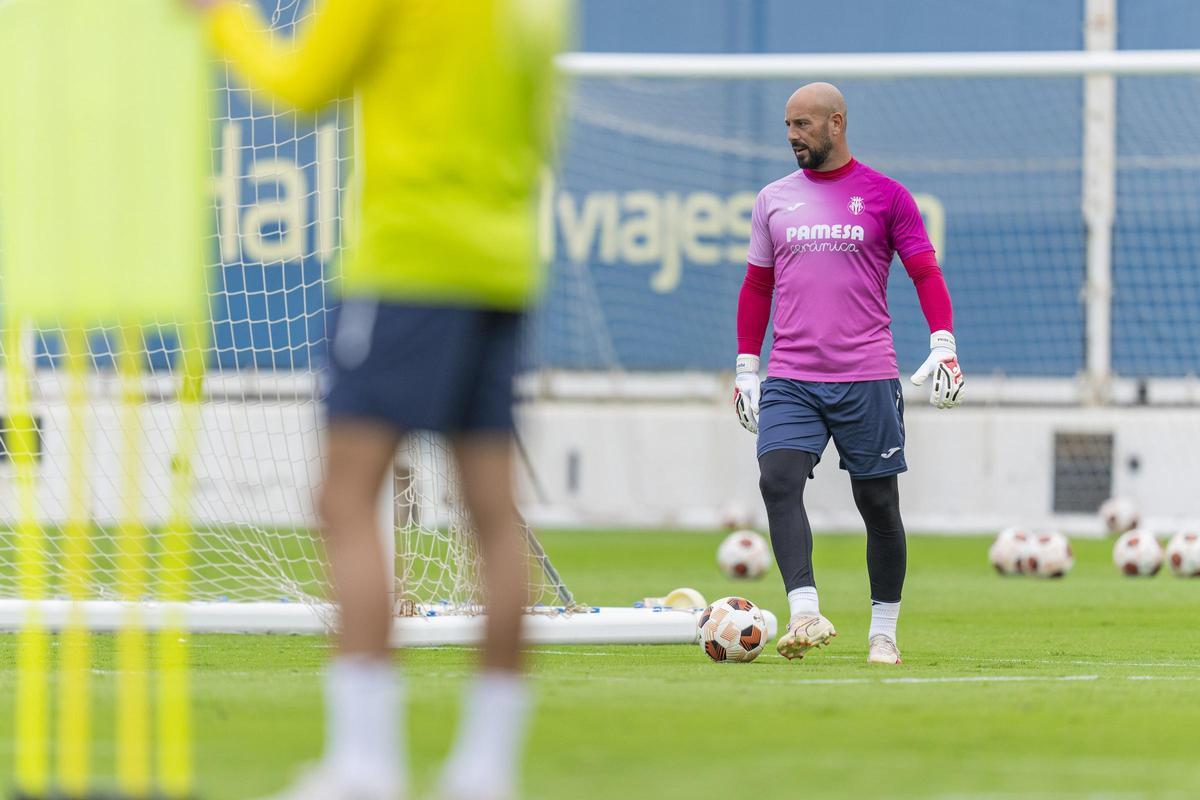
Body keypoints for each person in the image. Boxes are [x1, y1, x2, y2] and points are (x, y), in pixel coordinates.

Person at [192, 1, 567, 798]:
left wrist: (220, 17)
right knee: (494, 513)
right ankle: (486, 768)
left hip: (407, 259)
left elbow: (301, 85)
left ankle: (365, 762)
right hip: (501, 261)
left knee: (344, 496)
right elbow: (541, 128)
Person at [732, 82, 964, 667]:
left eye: (803, 125)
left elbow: (924, 271)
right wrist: (745, 366)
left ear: (836, 123)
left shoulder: (886, 196)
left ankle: (883, 632)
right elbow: (758, 285)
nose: (792, 136)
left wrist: (944, 341)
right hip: (792, 376)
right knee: (777, 480)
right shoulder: (773, 200)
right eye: (788, 125)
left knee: (878, 504)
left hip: (867, 375)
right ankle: (804, 611)